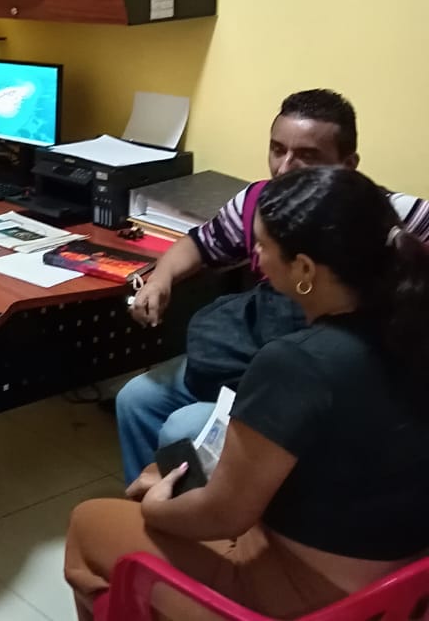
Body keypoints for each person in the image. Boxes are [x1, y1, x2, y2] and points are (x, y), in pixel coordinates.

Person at [66, 166, 429, 619]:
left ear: (304, 269)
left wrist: (158, 508)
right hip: (402, 585)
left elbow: (224, 516)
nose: (254, 256)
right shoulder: (409, 327)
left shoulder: (297, 362)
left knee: (89, 522)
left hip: (310, 597)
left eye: (262, 246)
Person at [116, 89, 429, 481]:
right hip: (260, 351)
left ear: (348, 164)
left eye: (307, 155)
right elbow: (200, 242)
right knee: (137, 398)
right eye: (277, 150)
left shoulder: (383, 215)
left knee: (185, 427)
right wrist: (160, 278)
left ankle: (207, 508)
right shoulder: (259, 202)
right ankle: (150, 498)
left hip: (323, 373)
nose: (284, 168)